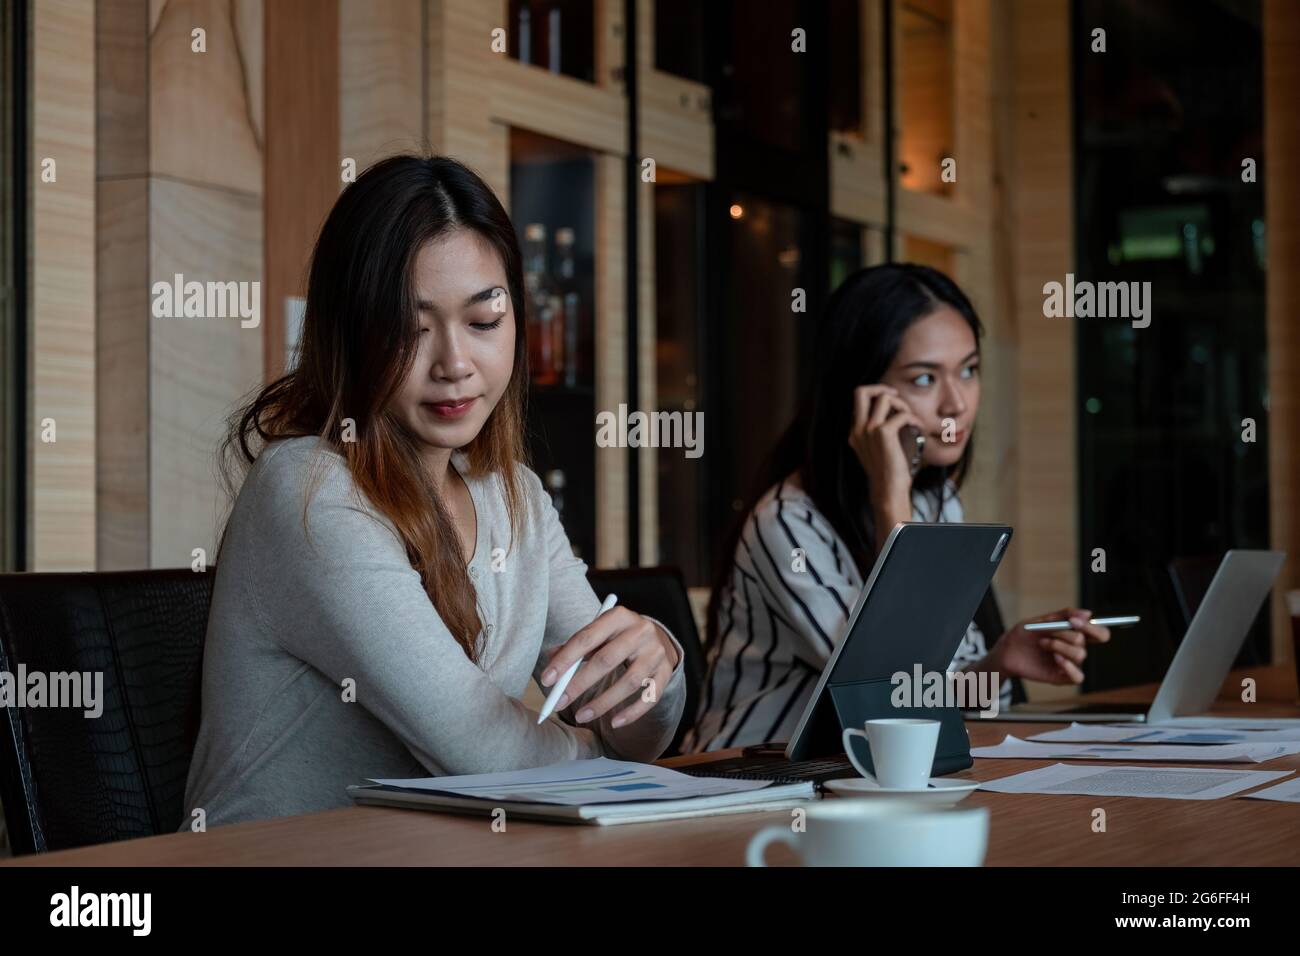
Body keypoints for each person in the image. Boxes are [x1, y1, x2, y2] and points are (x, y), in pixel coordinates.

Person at [182, 155, 686, 826]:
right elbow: (479, 750)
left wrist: (659, 663)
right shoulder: (309, 489)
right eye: (409, 329)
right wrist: (600, 756)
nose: (453, 364)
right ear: (351, 334)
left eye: (483, 323)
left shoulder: (516, 496)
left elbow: (636, 729)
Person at [685, 263, 1109, 753]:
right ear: (861, 393)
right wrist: (891, 498)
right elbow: (890, 693)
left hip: (862, 775)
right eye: (925, 378)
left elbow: (936, 689)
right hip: (747, 787)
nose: (956, 403)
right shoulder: (787, 522)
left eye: (969, 371)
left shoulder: (935, 500)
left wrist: (1001, 662)